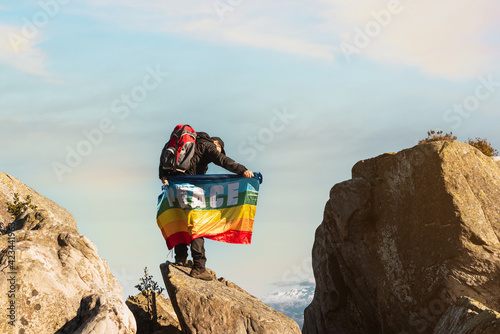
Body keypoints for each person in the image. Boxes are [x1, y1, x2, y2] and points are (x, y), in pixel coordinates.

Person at [159, 131, 254, 280]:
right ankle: (198, 267)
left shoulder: (186, 142)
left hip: (175, 188)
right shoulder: (208, 146)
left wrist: (162, 174)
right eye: (220, 149)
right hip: (190, 189)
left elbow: (166, 149)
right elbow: (222, 160)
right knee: (198, 225)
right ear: (217, 144)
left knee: (181, 222)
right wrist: (242, 170)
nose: (218, 152)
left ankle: (180, 259)